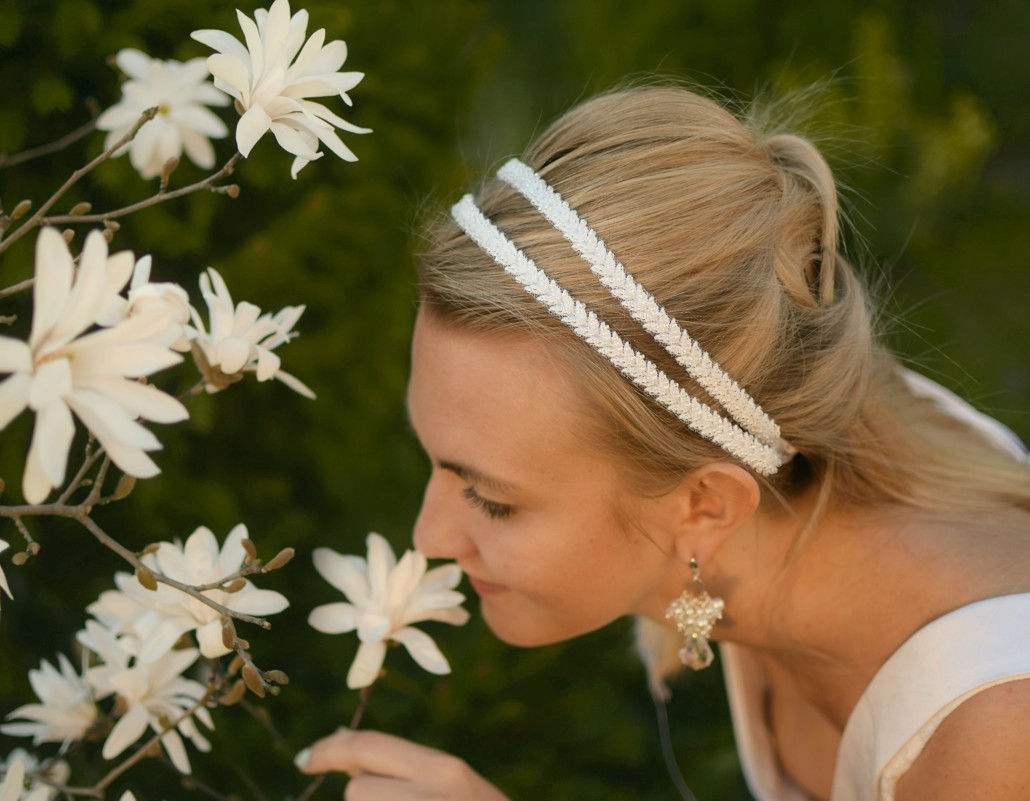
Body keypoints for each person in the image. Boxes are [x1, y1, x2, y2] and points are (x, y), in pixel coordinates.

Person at [297, 85, 1030, 800]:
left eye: (491, 500)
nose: (427, 537)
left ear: (708, 505)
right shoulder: (783, 391)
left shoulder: (995, 738)